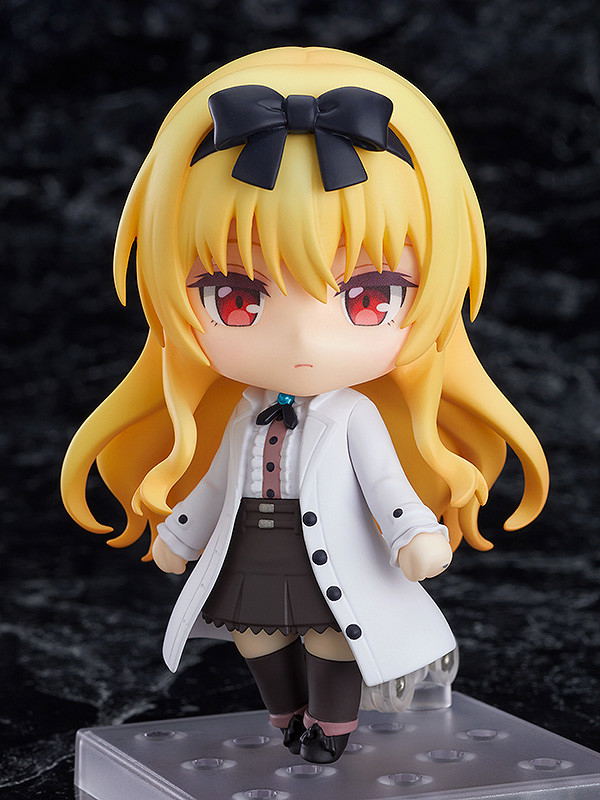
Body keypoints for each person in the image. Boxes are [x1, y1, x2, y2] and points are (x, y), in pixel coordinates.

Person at [61, 46, 549, 764]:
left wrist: (415, 532)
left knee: (332, 636)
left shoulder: (354, 416)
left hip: (335, 555)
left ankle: (332, 726)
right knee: (254, 636)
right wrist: (181, 534)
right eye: (235, 297)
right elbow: (218, 482)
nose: (303, 340)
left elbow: (385, 484)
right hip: (253, 546)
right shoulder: (241, 412)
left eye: (370, 297)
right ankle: (284, 715)